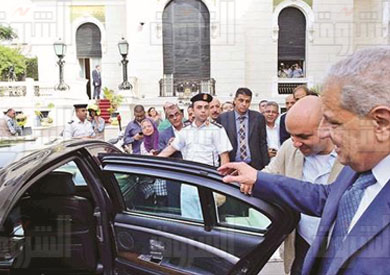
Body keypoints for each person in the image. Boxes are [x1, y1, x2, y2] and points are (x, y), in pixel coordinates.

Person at [219, 47, 390, 275]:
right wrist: (258, 178)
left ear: (381, 123)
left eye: (334, 123)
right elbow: (326, 197)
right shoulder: (362, 167)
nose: (325, 133)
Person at [263, 96, 344, 275]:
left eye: (303, 136)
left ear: (327, 127)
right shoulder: (290, 148)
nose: (296, 143)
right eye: (292, 135)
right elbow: (270, 174)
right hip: (300, 244)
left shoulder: (351, 156)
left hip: (337, 250)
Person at [159, 93, 232, 219]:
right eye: (199, 107)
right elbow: (170, 149)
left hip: (209, 181)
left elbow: (224, 158)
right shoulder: (185, 131)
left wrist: (222, 184)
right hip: (188, 182)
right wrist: (150, 161)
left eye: (206, 107)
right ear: (192, 110)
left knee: (209, 220)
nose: (203, 111)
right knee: (189, 220)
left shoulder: (217, 130)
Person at [218, 88, 269, 170]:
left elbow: (262, 143)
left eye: (247, 101)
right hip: (231, 165)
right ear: (235, 100)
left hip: (254, 166)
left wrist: (266, 165)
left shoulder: (258, 118)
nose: (244, 104)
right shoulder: (223, 118)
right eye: (241, 100)